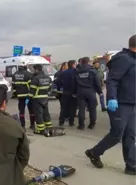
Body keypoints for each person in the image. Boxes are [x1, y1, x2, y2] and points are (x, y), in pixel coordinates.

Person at [85, 35, 136, 175]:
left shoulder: (133, 60)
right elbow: (112, 80)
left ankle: (131, 166)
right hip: (120, 103)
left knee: (130, 135)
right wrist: (112, 98)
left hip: (131, 103)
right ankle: (94, 153)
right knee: (117, 134)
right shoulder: (124, 59)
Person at [74, 57, 102, 130]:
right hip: (91, 92)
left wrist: (74, 92)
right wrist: (100, 92)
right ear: (88, 62)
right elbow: (97, 82)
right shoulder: (92, 71)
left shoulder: (77, 71)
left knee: (81, 109)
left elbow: (74, 83)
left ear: (81, 62)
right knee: (92, 109)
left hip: (80, 92)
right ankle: (92, 124)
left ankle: (81, 125)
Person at [29, 64, 52, 135]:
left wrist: (29, 98)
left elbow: (32, 91)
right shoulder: (48, 78)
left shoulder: (35, 79)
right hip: (45, 98)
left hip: (37, 99)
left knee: (39, 114)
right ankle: (49, 127)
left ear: (36, 70)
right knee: (46, 113)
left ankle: (40, 130)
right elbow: (50, 88)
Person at [12, 62, 34, 130]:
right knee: (31, 110)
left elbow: (14, 86)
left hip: (20, 97)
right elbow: (32, 86)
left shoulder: (15, 74)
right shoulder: (29, 74)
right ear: (25, 66)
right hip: (28, 97)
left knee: (21, 111)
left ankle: (23, 126)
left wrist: (15, 94)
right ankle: (32, 125)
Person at [58, 60, 77, 127]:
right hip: (73, 93)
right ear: (73, 65)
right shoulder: (75, 72)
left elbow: (59, 82)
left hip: (65, 92)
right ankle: (71, 122)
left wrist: (61, 88)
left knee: (63, 108)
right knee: (72, 108)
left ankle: (61, 122)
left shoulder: (63, 73)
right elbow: (76, 83)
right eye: (75, 64)